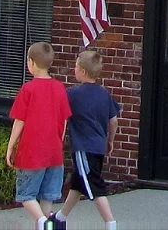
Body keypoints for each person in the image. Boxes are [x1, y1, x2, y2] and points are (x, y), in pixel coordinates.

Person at [6, 41, 72, 230]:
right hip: (54, 153)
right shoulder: (60, 88)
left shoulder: (28, 89)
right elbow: (65, 119)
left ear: (31, 62)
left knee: (26, 195)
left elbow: (20, 121)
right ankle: (47, 225)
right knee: (47, 198)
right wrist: (58, 141)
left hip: (31, 153)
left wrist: (11, 146)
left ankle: (43, 223)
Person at [56, 48, 121, 230]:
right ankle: (60, 218)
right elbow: (113, 120)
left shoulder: (71, 94)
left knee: (93, 184)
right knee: (79, 182)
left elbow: (61, 117)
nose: (73, 69)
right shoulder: (104, 93)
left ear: (83, 71)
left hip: (83, 148)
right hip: (99, 147)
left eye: (76, 66)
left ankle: (111, 223)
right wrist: (110, 140)